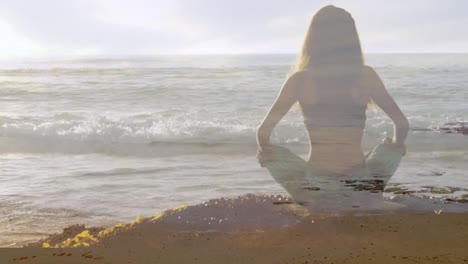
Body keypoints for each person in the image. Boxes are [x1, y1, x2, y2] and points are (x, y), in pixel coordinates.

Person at [256, 6, 410, 206]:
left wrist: (266, 152)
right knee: (389, 149)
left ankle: (312, 198)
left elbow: (263, 132)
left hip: (315, 185)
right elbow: (402, 124)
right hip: (361, 184)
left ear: (313, 39)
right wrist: (397, 146)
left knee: (272, 154)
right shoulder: (366, 75)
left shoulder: (299, 80)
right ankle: (368, 194)